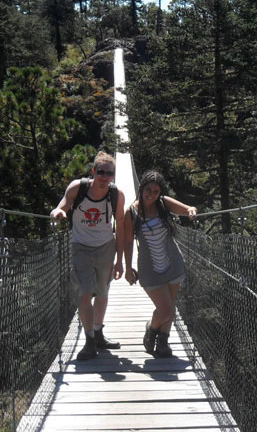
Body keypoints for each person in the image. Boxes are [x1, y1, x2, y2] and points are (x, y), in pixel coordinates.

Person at [51, 151, 124, 360]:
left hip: (105, 247)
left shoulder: (116, 194)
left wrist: (120, 261)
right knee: (84, 293)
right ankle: (89, 340)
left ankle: (99, 332)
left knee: (102, 293)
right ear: (93, 171)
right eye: (100, 172)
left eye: (109, 173)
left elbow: (121, 227)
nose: (104, 176)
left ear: (113, 175)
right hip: (81, 246)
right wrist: (58, 212)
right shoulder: (78, 187)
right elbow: (63, 204)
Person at [120, 170, 197, 358]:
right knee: (166, 309)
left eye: (155, 191)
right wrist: (128, 268)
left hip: (173, 263)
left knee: (170, 306)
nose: (151, 195)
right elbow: (128, 241)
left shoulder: (163, 203)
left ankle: (163, 343)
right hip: (149, 268)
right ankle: (151, 330)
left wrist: (191, 211)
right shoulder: (131, 212)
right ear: (141, 188)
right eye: (148, 190)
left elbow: (187, 208)